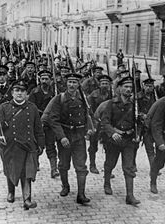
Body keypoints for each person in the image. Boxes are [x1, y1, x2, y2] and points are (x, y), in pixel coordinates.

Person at [0, 80, 45, 210]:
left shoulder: (32, 108)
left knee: (27, 172)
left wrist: (41, 144)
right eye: (17, 90)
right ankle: (11, 192)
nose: (19, 93)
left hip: (28, 145)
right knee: (11, 169)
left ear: (26, 93)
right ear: (12, 93)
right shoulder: (4, 108)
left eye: (22, 91)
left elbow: (38, 128)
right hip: (11, 145)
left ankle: (27, 199)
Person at [45, 73, 92, 204]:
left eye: (75, 82)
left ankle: (81, 194)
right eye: (70, 82)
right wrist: (61, 137)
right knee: (63, 164)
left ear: (79, 84)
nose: (72, 85)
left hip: (79, 137)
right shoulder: (59, 98)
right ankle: (65, 186)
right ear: (66, 83)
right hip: (65, 136)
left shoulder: (84, 99)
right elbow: (53, 119)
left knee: (81, 166)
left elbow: (88, 115)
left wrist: (89, 128)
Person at [101, 76, 140, 206]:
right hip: (114, 140)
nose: (129, 89)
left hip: (129, 140)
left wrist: (138, 134)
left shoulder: (134, 104)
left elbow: (138, 123)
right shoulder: (111, 103)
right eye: (126, 87)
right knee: (110, 163)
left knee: (128, 167)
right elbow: (105, 122)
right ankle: (107, 182)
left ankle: (130, 195)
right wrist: (112, 133)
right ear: (119, 88)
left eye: (130, 87)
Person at [28, 70, 58, 178]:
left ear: (51, 80)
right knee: (37, 145)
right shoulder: (34, 92)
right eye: (42, 79)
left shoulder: (55, 92)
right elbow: (30, 107)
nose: (44, 81)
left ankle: (54, 169)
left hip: (50, 123)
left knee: (51, 145)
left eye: (46, 79)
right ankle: (35, 164)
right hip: (37, 122)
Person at [87, 74, 112, 174]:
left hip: (108, 123)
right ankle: (92, 165)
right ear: (99, 85)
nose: (104, 85)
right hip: (96, 122)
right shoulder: (93, 95)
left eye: (106, 83)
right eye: (102, 83)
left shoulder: (112, 95)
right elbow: (89, 110)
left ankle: (108, 168)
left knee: (108, 146)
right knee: (93, 146)